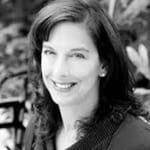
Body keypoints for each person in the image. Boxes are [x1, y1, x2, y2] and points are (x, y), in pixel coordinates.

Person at [24, 0, 150, 150]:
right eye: (50, 52)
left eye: (77, 55)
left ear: (104, 65)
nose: (59, 71)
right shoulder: (37, 127)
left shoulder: (136, 143)